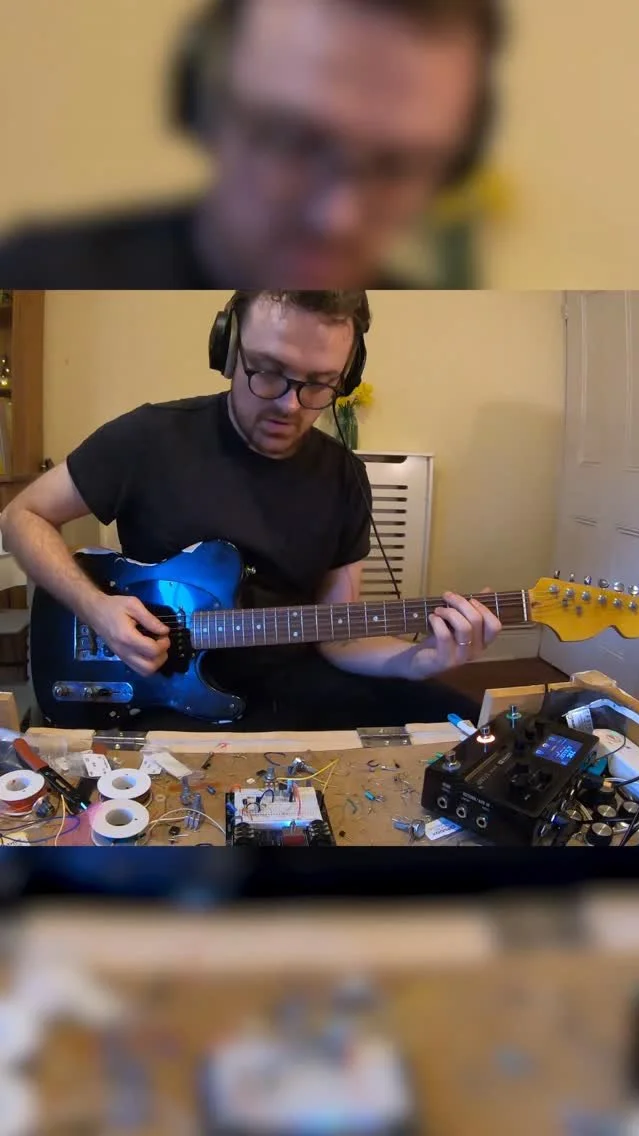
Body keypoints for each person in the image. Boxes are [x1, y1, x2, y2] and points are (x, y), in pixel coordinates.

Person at [0, 290, 501, 732]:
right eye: (268, 371)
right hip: (163, 688)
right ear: (227, 348)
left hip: (296, 684)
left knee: (466, 727)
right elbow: (22, 517)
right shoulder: (148, 438)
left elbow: (342, 640)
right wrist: (95, 608)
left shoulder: (344, 476)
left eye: (319, 383)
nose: (290, 405)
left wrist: (419, 658)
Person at [0, 0, 504, 290]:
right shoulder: (34, 274)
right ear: (203, 103)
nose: (336, 218)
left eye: (397, 166)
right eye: (294, 141)